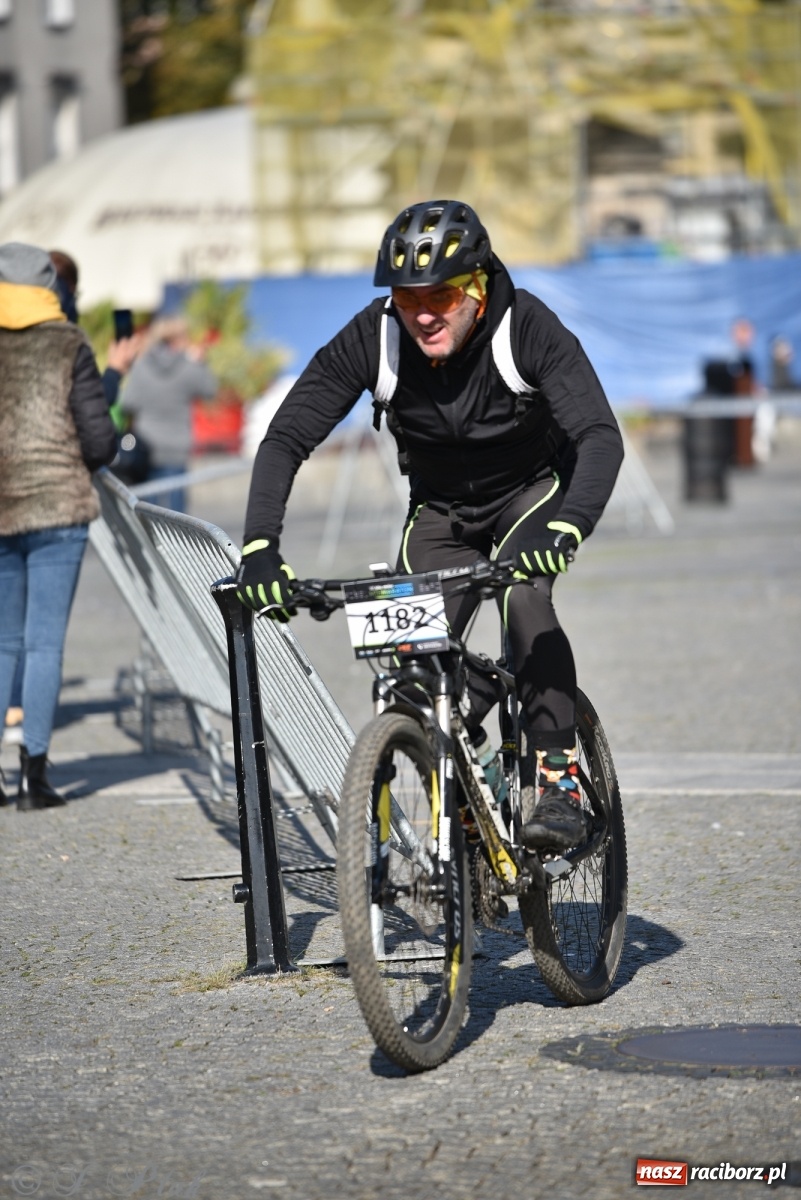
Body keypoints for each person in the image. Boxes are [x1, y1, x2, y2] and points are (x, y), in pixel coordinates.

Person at [235, 200, 624, 851]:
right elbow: (286, 438)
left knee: (522, 597)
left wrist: (569, 529)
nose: (422, 313)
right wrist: (258, 549)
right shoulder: (376, 335)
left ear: (475, 287)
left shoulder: (524, 326)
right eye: (407, 296)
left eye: (440, 295)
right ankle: (449, 808)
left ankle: (555, 778)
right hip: (439, 511)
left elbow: (597, 436)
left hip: (531, 496)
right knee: (413, 672)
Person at [0, 242, 117, 810]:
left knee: (3, 644)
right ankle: (34, 779)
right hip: (58, 509)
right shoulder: (69, 343)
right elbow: (98, 440)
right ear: (48, 289)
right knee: (44, 643)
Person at [120, 316, 218, 512]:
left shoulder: (141, 366)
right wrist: (201, 363)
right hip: (177, 447)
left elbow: (127, 403)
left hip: (146, 447)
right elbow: (210, 390)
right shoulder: (189, 368)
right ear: (177, 339)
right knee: (177, 518)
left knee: (149, 514)